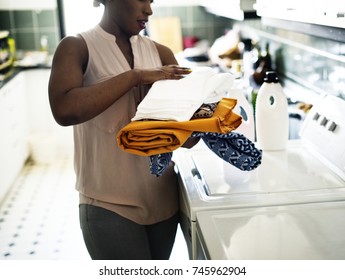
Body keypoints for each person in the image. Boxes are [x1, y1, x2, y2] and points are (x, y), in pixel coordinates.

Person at [48, 0, 197, 260]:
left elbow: (183, 138)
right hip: (107, 205)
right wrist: (135, 77)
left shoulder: (162, 54)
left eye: (152, 1)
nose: (149, 10)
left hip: (164, 201)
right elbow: (64, 110)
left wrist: (204, 122)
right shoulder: (76, 47)